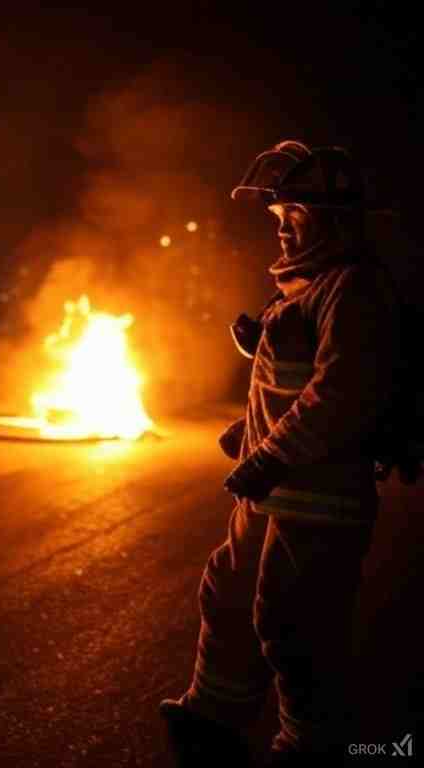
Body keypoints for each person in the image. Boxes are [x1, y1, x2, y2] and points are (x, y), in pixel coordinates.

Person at [160, 140, 399, 766]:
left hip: (320, 499)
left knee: (294, 626)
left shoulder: (354, 290)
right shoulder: (309, 288)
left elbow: (342, 393)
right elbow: (286, 383)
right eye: (280, 221)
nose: (285, 233)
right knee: (228, 592)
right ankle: (212, 718)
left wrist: (269, 455)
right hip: (274, 488)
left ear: (333, 222)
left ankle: (314, 744)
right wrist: (249, 433)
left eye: (295, 220)